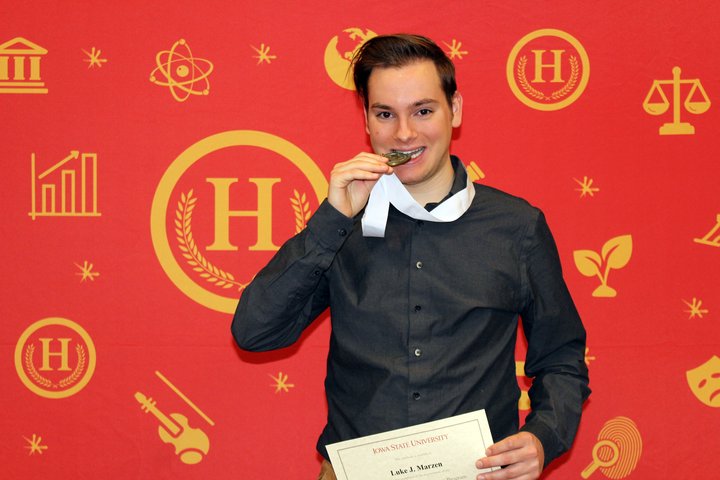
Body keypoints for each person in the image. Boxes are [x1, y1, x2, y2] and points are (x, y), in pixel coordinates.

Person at [232, 34, 590, 480]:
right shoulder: (342, 225)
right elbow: (255, 331)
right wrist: (331, 220)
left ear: (454, 110)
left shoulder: (516, 227)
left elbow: (560, 358)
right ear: (366, 120)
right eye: (386, 114)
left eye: (423, 111)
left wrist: (543, 435)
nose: (404, 132)